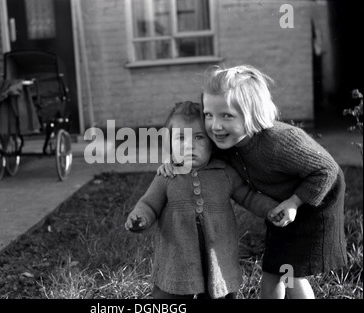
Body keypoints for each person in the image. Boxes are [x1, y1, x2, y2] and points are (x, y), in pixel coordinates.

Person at [158, 65, 348, 299]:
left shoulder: (280, 141)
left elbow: (327, 170)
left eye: (226, 115)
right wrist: (173, 161)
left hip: (316, 202)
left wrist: (294, 202)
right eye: (209, 115)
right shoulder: (224, 140)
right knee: (275, 268)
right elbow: (197, 150)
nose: (215, 125)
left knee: (289, 270)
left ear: (252, 114)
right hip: (281, 204)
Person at [125, 101, 280, 299]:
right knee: (170, 296)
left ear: (212, 143)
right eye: (180, 138)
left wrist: (271, 209)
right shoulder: (167, 176)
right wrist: (140, 217)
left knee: (217, 289)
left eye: (199, 137)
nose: (189, 145)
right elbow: (149, 204)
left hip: (217, 255)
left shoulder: (224, 173)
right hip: (177, 259)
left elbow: (248, 196)